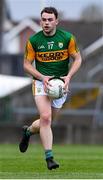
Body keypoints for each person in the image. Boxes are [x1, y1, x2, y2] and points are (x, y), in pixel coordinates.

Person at [19, 7, 82, 170]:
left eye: (49, 19)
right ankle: (49, 157)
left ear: (56, 21)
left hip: (60, 85)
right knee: (46, 117)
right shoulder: (34, 41)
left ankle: (28, 132)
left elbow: (77, 59)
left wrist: (68, 77)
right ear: (40, 21)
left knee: (46, 122)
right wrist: (42, 77)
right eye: (44, 20)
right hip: (41, 83)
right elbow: (26, 65)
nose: (46, 23)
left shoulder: (67, 38)